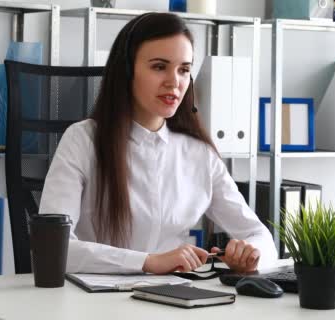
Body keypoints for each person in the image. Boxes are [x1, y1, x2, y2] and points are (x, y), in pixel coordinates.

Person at [39, 12, 277, 275]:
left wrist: (250, 255)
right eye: (159, 66)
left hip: (174, 299)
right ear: (127, 71)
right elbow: (52, 248)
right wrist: (147, 261)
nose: (174, 82)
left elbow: (260, 237)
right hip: (93, 302)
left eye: (184, 70)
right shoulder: (83, 140)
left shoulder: (199, 153)